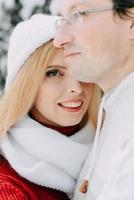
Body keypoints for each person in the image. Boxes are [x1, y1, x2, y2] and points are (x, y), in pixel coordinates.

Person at [0, 14, 101, 200]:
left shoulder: (110, 140)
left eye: (82, 69)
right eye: (54, 73)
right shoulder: (7, 185)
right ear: (25, 83)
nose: (76, 88)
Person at [52, 0, 134, 200]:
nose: (59, 39)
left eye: (79, 14)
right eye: (62, 20)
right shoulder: (112, 114)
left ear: (131, 22)